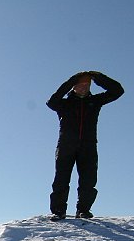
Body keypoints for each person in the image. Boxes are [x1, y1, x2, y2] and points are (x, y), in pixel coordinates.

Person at [46, 70, 124, 220]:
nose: (83, 88)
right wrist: (72, 80)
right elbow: (51, 101)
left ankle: (83, 210)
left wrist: (98, 78)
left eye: (86, 85)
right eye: (80, 85)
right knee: (61, 178)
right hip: (66, 146)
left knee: (88, 179)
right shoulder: (64, 104)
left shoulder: (94, 102)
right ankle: (58, 211)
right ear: (74, 87)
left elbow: (118, 91)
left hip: (88, 145)